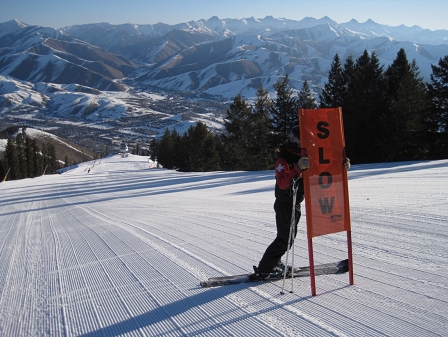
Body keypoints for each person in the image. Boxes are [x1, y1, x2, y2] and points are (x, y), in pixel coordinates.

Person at [249, 125, 350, 280]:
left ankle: (274, 263)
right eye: (307, 144)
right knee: (284, 239)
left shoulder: (304, 158)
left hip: (295, 202)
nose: (309, 147)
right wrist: (297, 169)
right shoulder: (284, 160)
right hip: (285, 204)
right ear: (297, 143)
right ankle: (264, 268)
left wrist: (340, 166)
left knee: (288, 238)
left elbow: (322, 170)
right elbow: (283, 183)